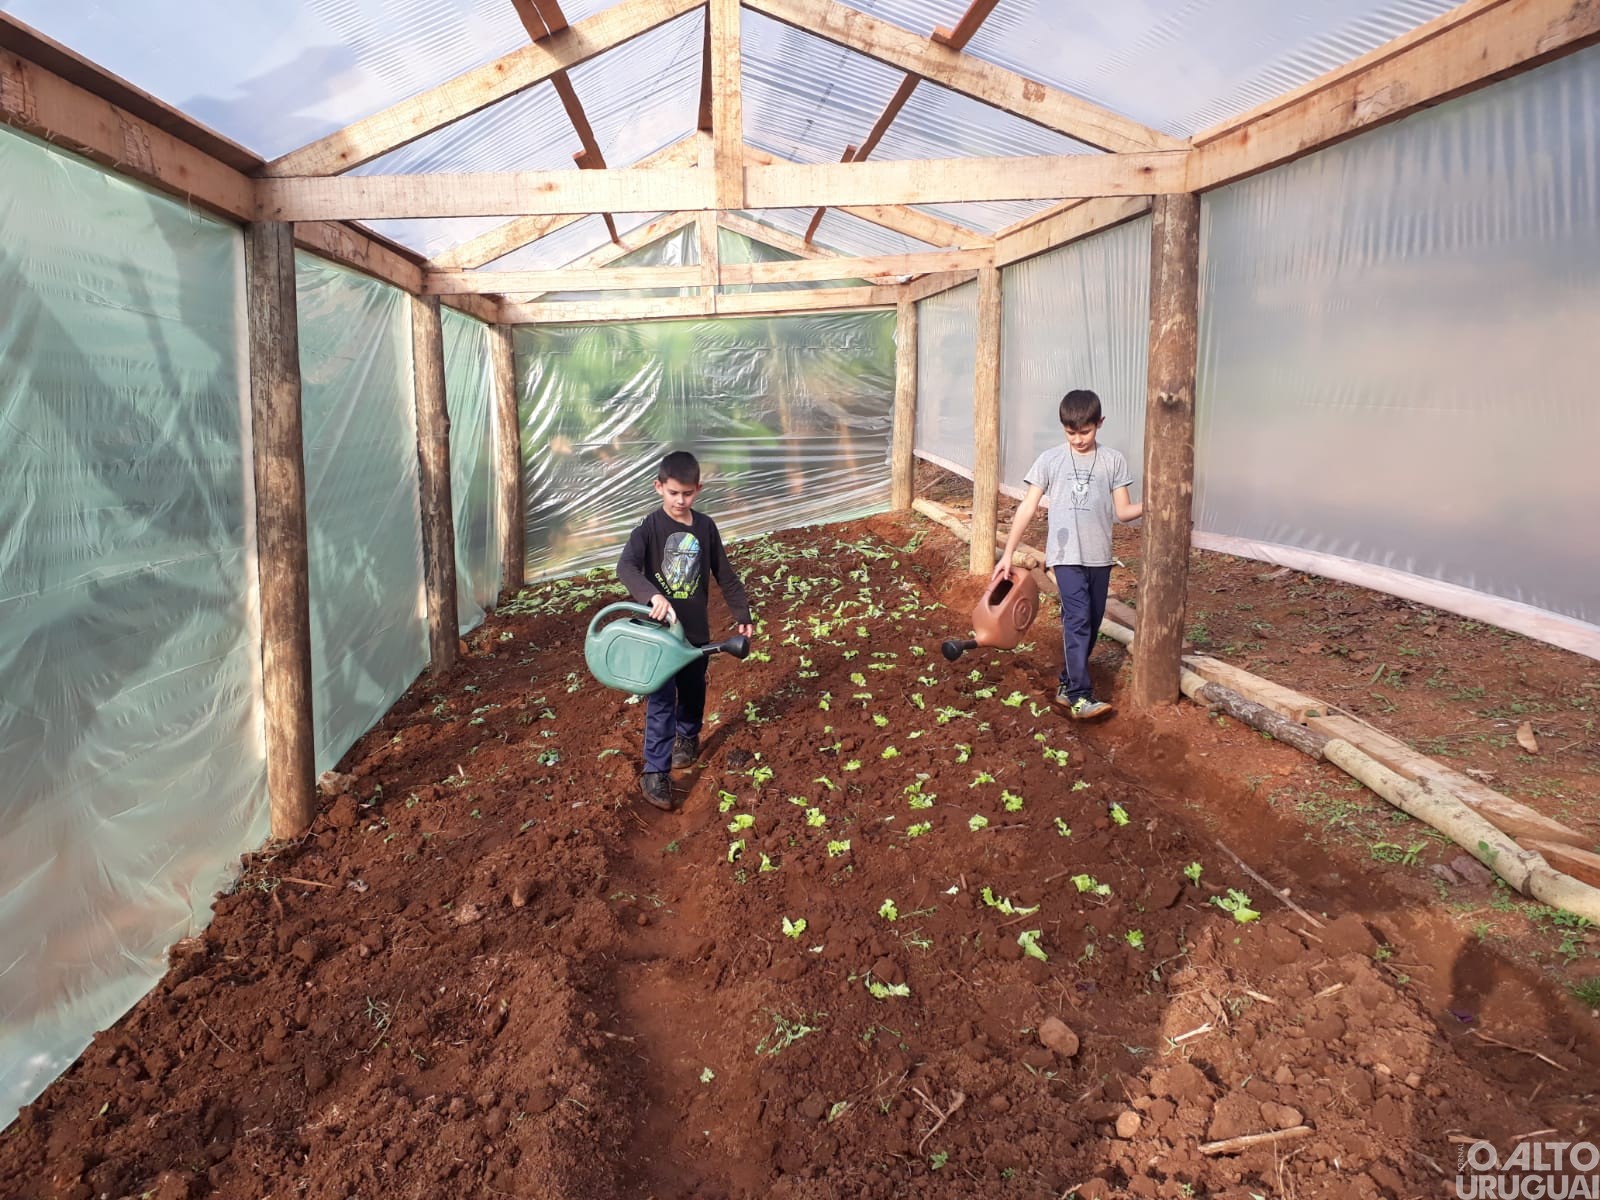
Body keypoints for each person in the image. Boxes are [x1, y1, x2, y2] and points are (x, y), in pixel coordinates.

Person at [992, 389, 1143, 720]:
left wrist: (1156, 503)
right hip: (1063, 557)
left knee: (1089, 622)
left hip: (1100, 557)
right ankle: (1079, 695)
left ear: (1099, 424)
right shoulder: (1050, 460)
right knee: (1077, 619)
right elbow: (1028, 506)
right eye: (1071, 432)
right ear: (1063, 428)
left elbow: (1124, 510)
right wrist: (1008, 553)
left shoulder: (1113, 460)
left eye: (1085, 431)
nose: (1078, 439)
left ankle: (1066, 685)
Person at [617, 450, 755, 810]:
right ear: (659, 487)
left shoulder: (705, 528)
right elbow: (626, 568)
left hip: (695, 635)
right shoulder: (649, 529)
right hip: (660, 638)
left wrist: (742, 611)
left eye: (688, 493)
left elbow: (724, 573)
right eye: (673, 493)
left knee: (692, 692)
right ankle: (655, 771)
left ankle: (688, 737)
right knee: (661, 700)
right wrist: (651, 595)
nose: (680, 501)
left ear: (698, 489)